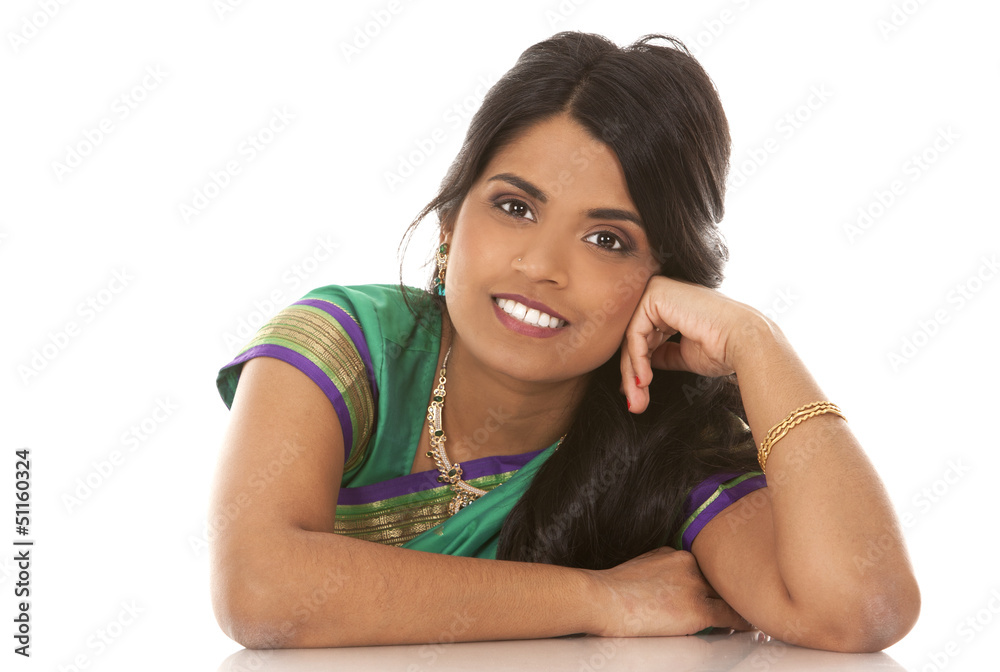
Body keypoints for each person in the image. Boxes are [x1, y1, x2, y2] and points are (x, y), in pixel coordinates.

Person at [208, 31, 919, 651]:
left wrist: (756, 341)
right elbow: (260, 588)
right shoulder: (346, 347)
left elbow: (860, 610)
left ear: (662, 280)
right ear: (451, 222)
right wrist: (599, 599)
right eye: (515, 206)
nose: (542, 267)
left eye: (607, 239)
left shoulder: (662, 445)